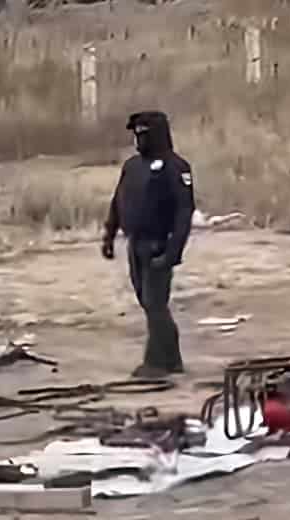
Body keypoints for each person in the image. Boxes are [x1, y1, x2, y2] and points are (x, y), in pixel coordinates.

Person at [102, 111, 194, 379]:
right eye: (136, 134)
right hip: (135, 243)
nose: (138, 140)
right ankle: (171, 360)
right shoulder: (132, 166)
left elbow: (183, 212)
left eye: (144, 134)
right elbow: (117, 201)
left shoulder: (176, 167)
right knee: (148, 302)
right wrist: (109, 234)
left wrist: (173, 252)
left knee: (155, 303)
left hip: (159, 243)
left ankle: (154, 362)